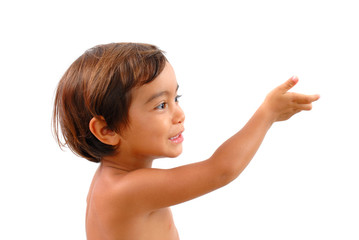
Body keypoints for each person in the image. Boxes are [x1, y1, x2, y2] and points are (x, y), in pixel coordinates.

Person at [53, 42, 320, 240]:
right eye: (160, 105)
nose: (179, 113)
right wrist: (267, 113)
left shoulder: (114, 181)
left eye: (176, 99)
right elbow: (220, 170)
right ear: (107, 130)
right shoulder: (125, 190)